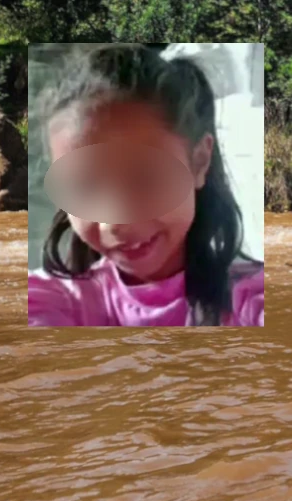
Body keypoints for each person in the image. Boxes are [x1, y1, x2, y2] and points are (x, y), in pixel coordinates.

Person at [28, 44, 264, 327]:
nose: (114, 223)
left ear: (199, 161)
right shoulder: (52, 300)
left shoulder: (254, 298)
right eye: (84, 187)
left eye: (144, 178)